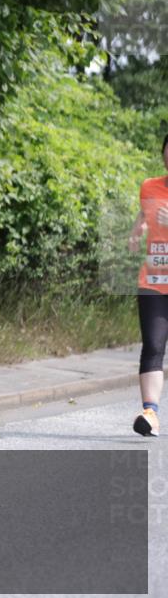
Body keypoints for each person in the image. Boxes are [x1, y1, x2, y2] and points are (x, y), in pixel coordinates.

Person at [127, 132, 168, 437]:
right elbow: (144, 213)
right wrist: (136, 229)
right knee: (153, 345)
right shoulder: (149, 186)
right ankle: (150, 413)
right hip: (154, 280)